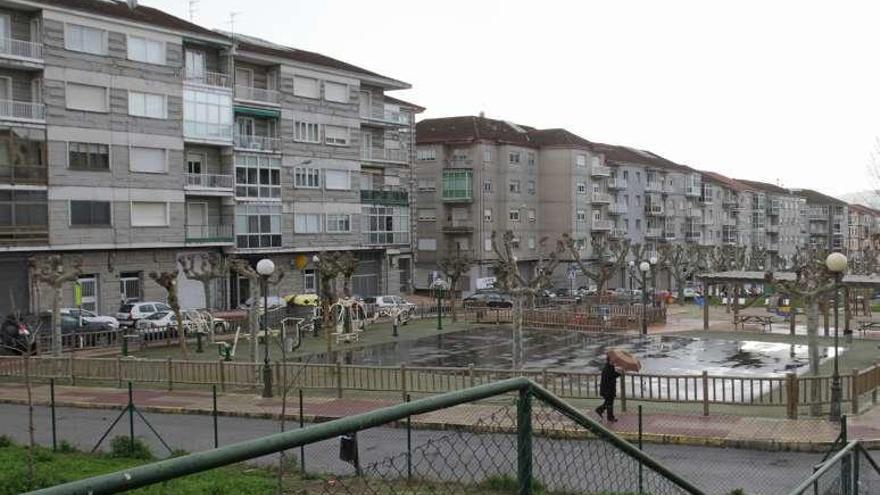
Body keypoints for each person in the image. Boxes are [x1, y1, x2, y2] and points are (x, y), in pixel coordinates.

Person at [595, 357, 621, 422]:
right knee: (609, 403)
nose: (614, 361)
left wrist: (618, 373)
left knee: (609, 403)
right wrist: (620, 373)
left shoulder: (609, 367)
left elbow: (612, 375)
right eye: (613, 360)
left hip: (607, 389)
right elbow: (612, 376)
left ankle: (606, 414)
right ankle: (608, 415)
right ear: (610, 360)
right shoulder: (608, 368)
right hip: (608, 389)